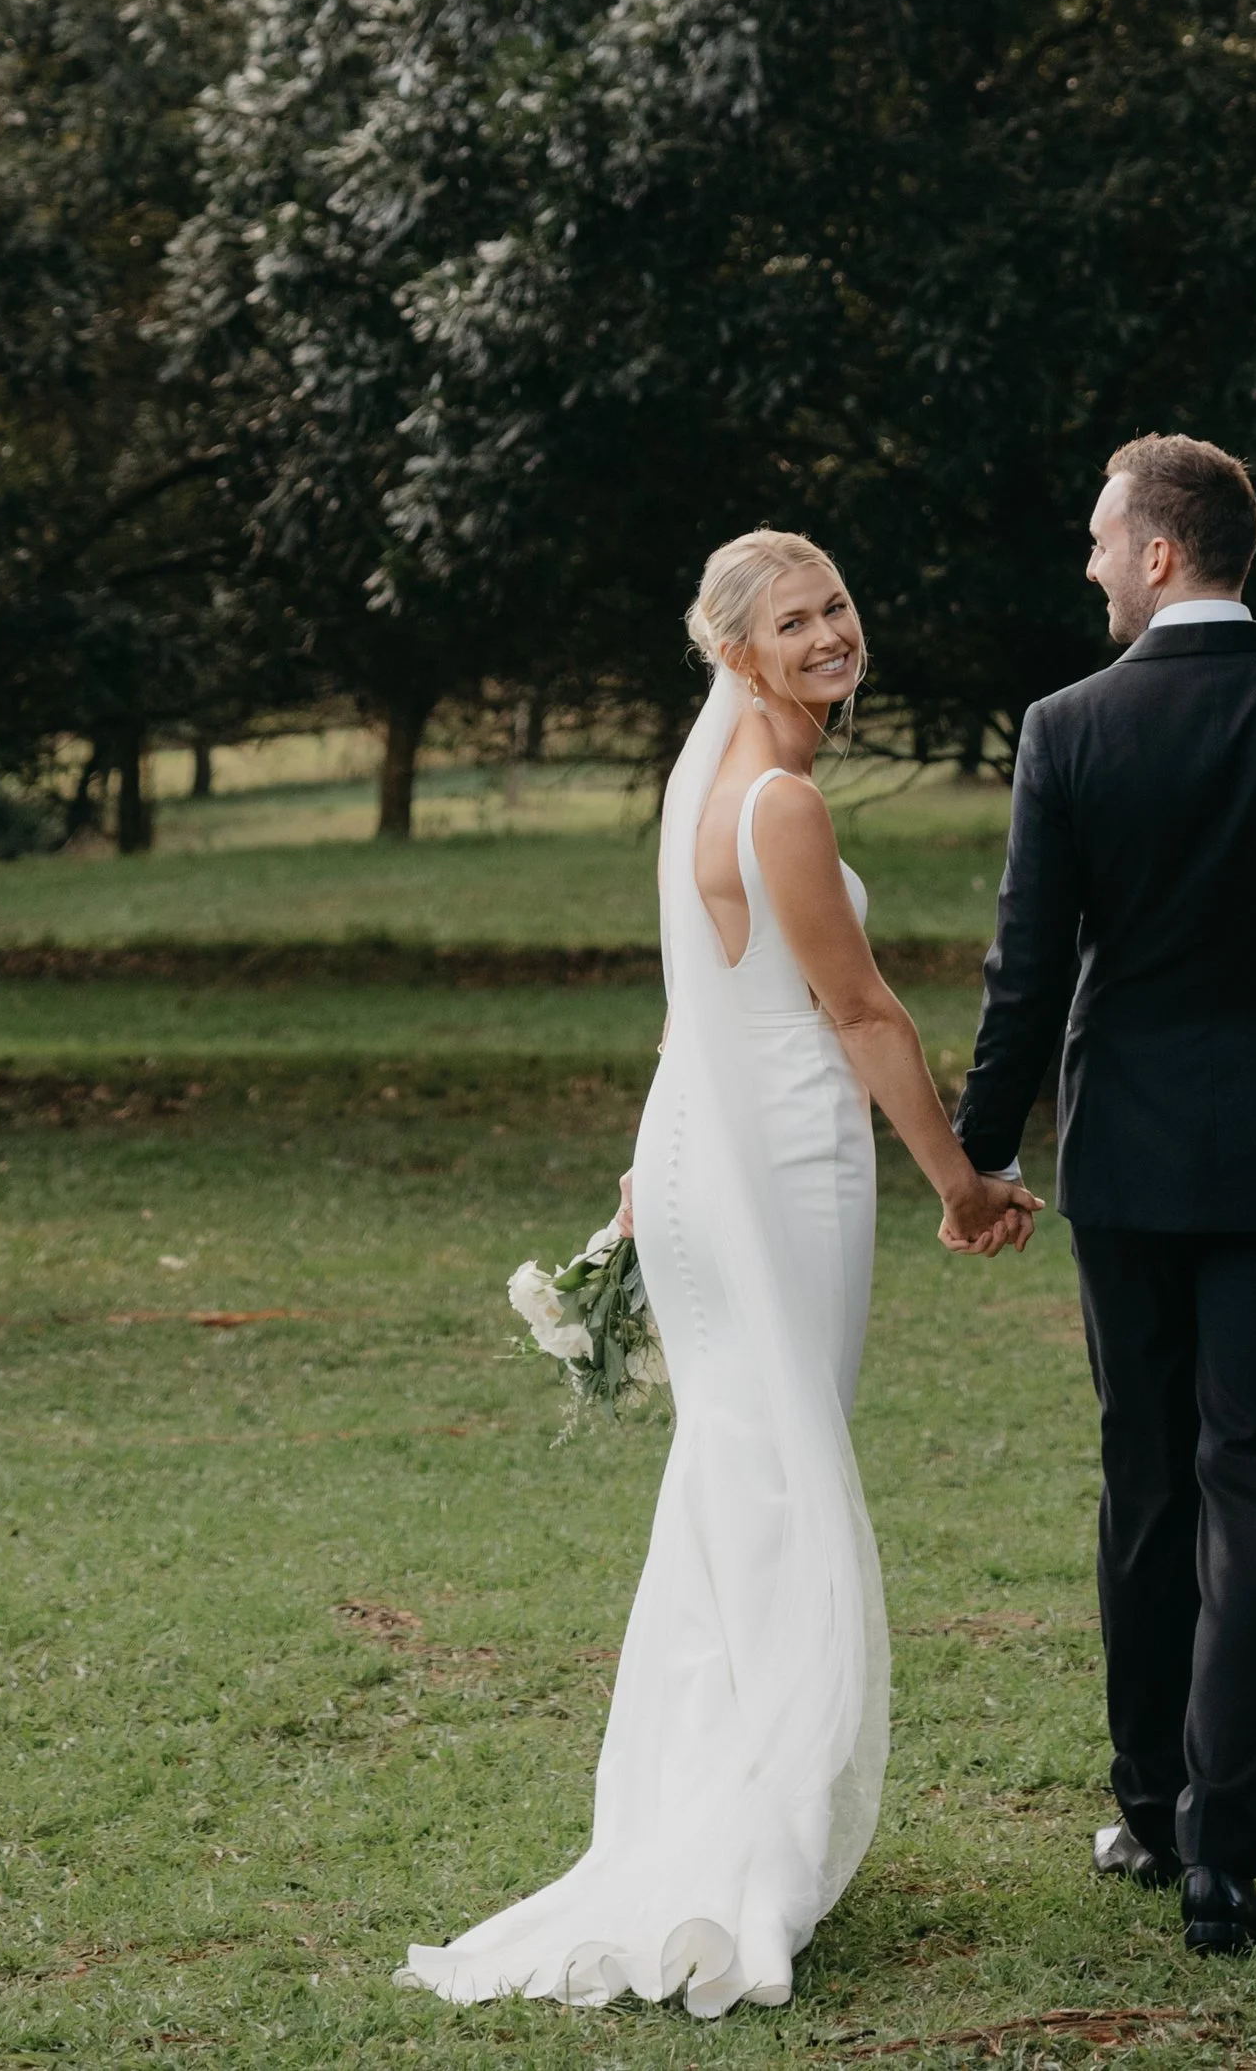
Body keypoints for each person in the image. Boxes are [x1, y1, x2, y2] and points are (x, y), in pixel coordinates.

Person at [400, 528, 1035, 2019]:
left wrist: (644, 1163)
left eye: (840, 607)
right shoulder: (780, 800)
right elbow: (865, 1014)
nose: (831, 634)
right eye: (797, 621)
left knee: (733, 1478)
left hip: (697, 1151)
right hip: (777, 1169)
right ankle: (749, 1843)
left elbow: (695, 996)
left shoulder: (700, 778)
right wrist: (960, 1180)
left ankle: (717, 1796)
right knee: (783, 1480)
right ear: (736, 649)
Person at [954, 433, 1256, 1959]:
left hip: (1132, 1164)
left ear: (1162, 552)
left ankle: (1152, 1804)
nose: (1091, 561)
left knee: (1145, 1473)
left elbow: (1027, 966)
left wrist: (984, 1147)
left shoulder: (1067, 726)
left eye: (1104, 538)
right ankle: (1224, 1857)